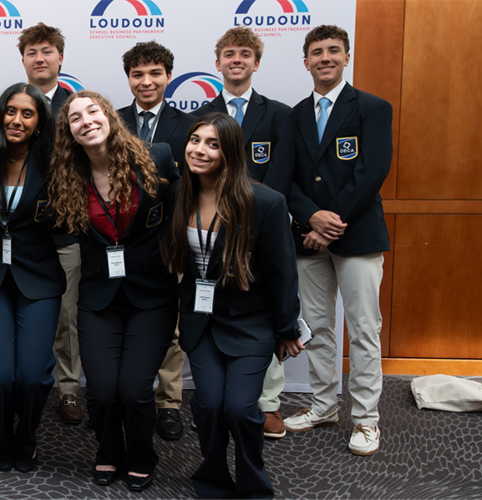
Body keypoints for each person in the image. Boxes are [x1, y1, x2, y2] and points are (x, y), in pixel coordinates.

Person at [162, 113, 303, 499]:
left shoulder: (265, 202)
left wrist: (287, 328)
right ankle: (212, 479)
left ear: (230, 153)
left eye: (212, 144)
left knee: (240, 409)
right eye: (195, 140)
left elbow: (282, 272)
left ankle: (254, 486)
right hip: (201, 321)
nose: (200, 150)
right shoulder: (179, 194)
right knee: (207, 406)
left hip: (251, 323)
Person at [48, 91, 178, 491]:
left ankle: (140, 455)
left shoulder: (156, 157)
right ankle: (108, 452)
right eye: (75, 118)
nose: (85, 121)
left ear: (109, 116)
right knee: (103, 392)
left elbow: (180, 213)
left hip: (151, 297)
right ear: (68, 131)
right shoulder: (66, 178)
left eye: (93, 112)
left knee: (135, 389)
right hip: (99, 299)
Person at [280, 25, 392, 457]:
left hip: (357, 237)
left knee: (364, 329)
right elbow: (284, 178)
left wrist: (331, 221)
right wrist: (311, 217)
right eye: (316, 52)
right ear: (304, 61)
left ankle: (366, 419)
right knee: (320, 328)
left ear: (346, 56)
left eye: (333, 51)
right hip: (307, 239)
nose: (324, 58)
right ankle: (324, 405)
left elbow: (372, 171)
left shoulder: (373, 108)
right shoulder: (293, 116)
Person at [192, 26, 294, 439]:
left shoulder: (280, 114)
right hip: (212, 232)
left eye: (245, 54)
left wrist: (259, 217)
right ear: (217, 64)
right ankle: (221, 397)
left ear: (256, 63)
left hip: (260, 229)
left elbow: (282, 173)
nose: (237, 60)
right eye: (229, 54)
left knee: (263, 309)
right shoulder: (201, 115)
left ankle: (267, 402)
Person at [0, 83, 64, 473]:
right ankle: (5, 429)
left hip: (38, 276)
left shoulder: (54, 160)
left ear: (40, 122)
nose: (17, 120)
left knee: (34, 375)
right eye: (11, 111)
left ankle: (28, 433)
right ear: (0, 113)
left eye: (28, 113)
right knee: (0, 376)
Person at [117, 39, 197, 440]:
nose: (146, 82)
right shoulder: (111, 122)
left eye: (154, 74)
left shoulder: (189, 126)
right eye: (137, 75)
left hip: (169, 240)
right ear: (128, 79)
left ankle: (168, 403)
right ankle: (124, 397)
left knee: (170, 325)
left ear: (168, 76)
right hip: (120, 242)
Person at [17, 22, 83, 425]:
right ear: (22, 59)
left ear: (60, 57)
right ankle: (25, 385)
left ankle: (69, 389)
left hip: (63, 233)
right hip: (21, 236)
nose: (39, 59)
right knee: (23, 314)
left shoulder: (78, 107)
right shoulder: (11, 104)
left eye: (46, 51)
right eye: (31, 52)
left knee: (65, 317)